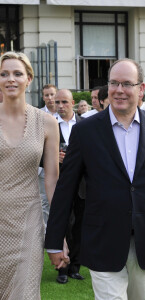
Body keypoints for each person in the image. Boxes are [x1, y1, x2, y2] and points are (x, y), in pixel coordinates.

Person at [45, 58, 145, 300]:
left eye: (127, 83)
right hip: (102, 238)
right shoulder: (86, 131)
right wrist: (55, 240)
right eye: (114, 83)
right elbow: (66, 188)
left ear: (141, 89)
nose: (119, 90)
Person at [0, 51, 59, 298]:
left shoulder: (47, 123)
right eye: (4, 74)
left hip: (29, 221)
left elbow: (52, 178)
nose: (10, 79)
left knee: (24, 293)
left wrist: (58, 234)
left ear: (29, 79)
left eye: (17, 73)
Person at [54, 89, 85, 284]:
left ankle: (75, 267)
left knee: (80, 226)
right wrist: (52, 157)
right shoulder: (49, 124)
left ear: (72, 102)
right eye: (57, 102)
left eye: (64, 102)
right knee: (62, 225)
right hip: (58, 181)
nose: (60, 106)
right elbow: (37, 154)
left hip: (82, 183)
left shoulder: (85, 124)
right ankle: (62, 269)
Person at [39, 83, 58, 227]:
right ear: (43, 97)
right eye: (47, 95)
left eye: (52, 94)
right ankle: (47, 230)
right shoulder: (38, 116)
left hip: (63, 165)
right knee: (44, 201)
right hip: (43, 166)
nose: (50, 98)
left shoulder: (64, 112)